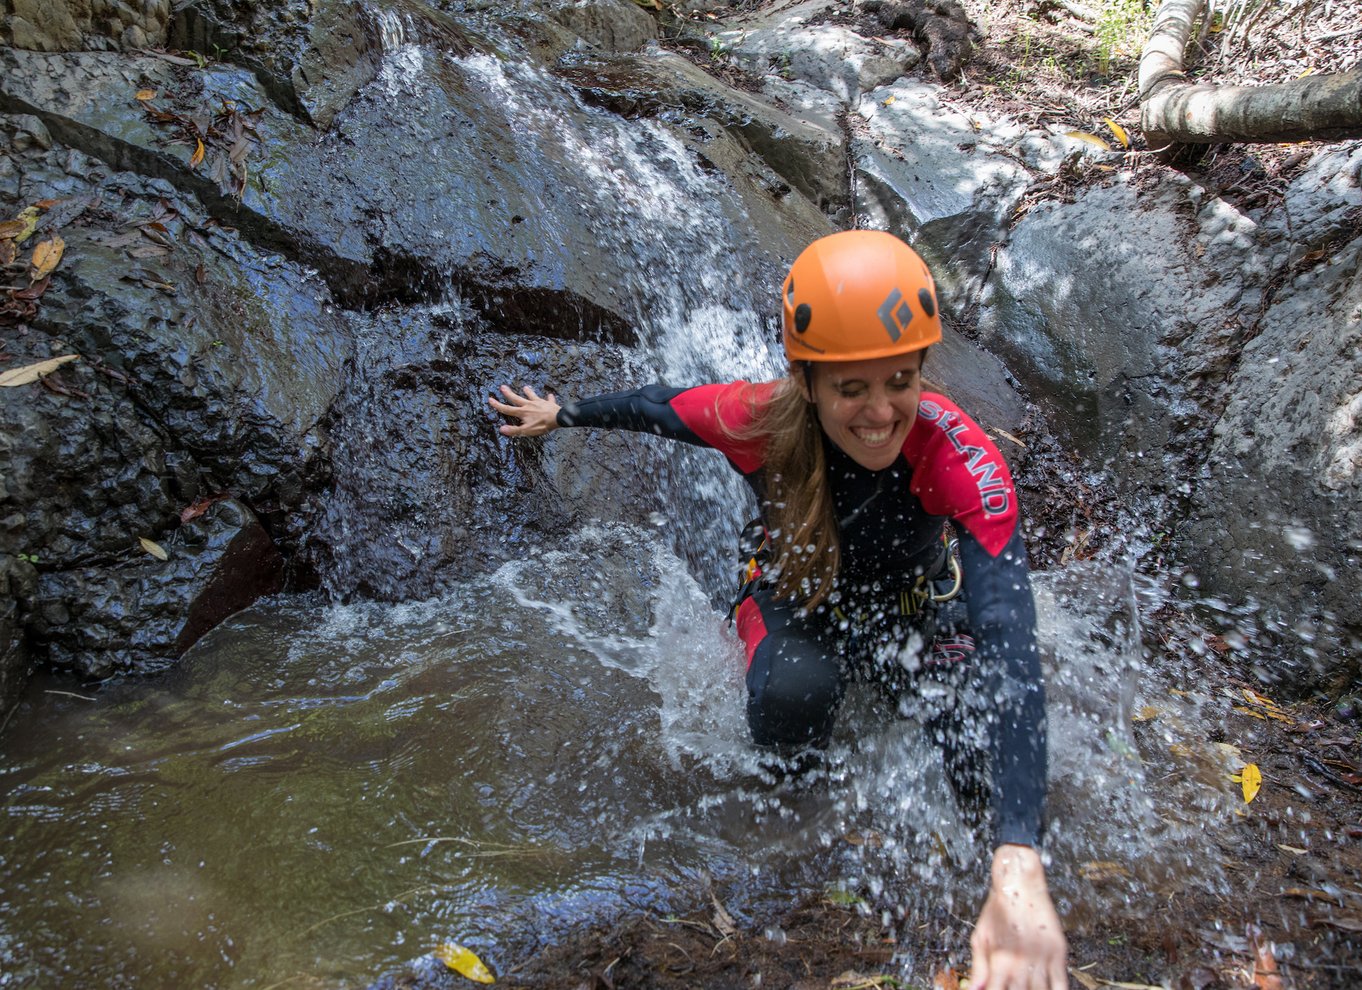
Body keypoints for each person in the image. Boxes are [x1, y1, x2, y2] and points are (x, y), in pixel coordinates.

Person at [489, 229, 1068, 990]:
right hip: (795, 599)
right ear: (807, 381)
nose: (878, 412)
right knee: (796, 699)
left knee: (978, 745)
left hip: (915, 612)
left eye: (899, 381)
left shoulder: (962, 460)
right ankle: (805, 846)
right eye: (850, 388)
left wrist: (1018, 857)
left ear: (924, 372)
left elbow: (1011, 647)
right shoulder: (757, 419)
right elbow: (660, 407)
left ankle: (999, 906)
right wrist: (562, 414)